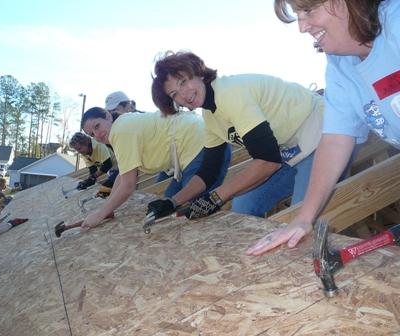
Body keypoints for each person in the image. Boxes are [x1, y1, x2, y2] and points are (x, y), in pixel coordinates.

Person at [247, 0, 399, 256]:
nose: (301, 27)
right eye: (297, 15)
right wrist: (303, 218)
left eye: (308, 11)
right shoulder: (340, 65)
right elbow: (336, 138)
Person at [148, 51, 324, 222]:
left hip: (317, 136)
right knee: (243, 205)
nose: (184, 94)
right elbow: (209, 170)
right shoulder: (210, 117)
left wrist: (216, 197)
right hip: (289, 152)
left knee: (301, 218)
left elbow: (267, 161)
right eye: (174, 94)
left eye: (184, 82)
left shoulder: (229, 92)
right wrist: (172, 201)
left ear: (198, 73)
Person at [80, 107, 231, 228]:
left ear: (107, 116)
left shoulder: (120, 131)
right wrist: (108, 208)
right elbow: (122, 176)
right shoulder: (123, 126)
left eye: (97, 126)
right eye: (92, 134)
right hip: (190, 150)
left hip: (201, 146)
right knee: (166, 207)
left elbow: (128, 185)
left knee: (196, 211)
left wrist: (100, 214)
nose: (97, 134)